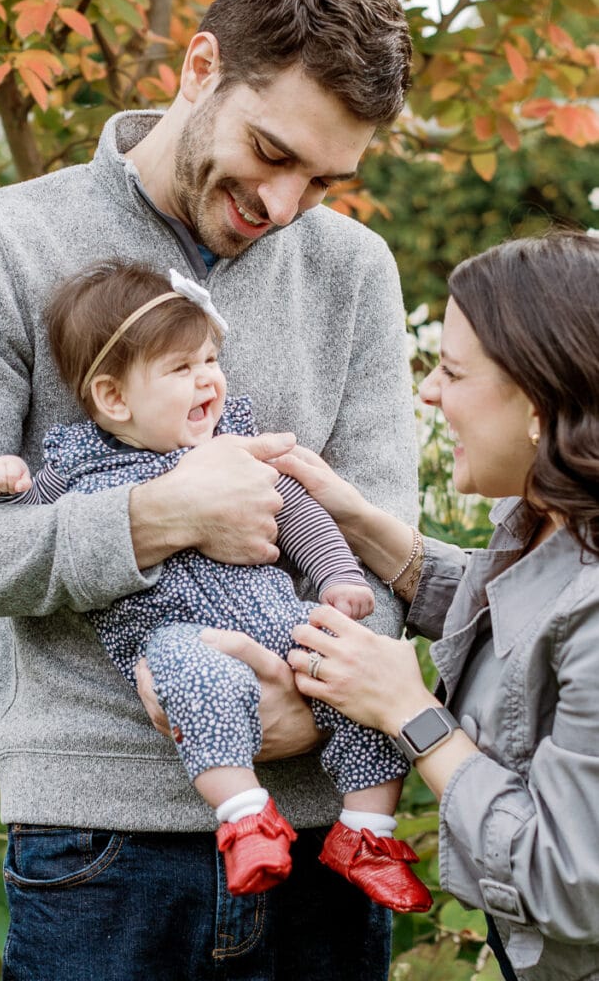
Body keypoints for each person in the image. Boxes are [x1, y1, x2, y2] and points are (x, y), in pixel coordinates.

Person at [0, 0, 417, 976]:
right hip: (97, 851)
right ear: (200, 66)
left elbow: (382, 550)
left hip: (328, 844)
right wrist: (157, 517)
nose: (283, 204)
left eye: (321, 180)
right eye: (269, 151)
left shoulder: (352, 270)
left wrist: (304, 695)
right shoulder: (5, 242)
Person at [0, 260, 431, 910]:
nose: (208, 378)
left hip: (277, 614)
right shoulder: (74, 465)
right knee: (195, 678)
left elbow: (300, 514)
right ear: (113, 398)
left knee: (358, 677)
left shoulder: (237, 446)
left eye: (211, 359)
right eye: (181, 369)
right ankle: (245, 816)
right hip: (173, 634)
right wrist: (5, 484)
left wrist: (336, 578)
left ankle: (366, 832)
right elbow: (18, 546)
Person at [213, 232, 598, 981]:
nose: (427, 393)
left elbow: (568, 883)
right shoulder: (549, 530)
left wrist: (411, 715)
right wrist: (358, 523)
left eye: (451, 373)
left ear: (539, 403)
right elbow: (529, 627)